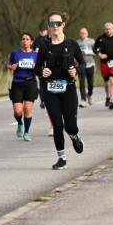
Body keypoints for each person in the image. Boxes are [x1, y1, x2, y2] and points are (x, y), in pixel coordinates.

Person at [34, 11, 85, 170]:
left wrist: (75, 70)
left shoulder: (71, 44)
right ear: (48, 27)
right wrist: (42, 72)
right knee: (57, 125)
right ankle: (61, 158)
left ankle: (74, 135)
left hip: (68, 89)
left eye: (57, 23)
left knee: (70, 126)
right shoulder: (44, 46)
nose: (54, 27)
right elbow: (36, 68)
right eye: (51, 24)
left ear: (63, 25)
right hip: (50, 90)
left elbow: (82, 64)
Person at [8, 33, 38, 141]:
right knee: (18, 111)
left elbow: (40, 69)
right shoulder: (15, 53)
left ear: (31, 42)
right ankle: (20, 123)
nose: (25, 41)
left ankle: (26, 132)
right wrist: (12, 66)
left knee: (27, 108)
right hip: (17, 83)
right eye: (23, 39)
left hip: (30, 83)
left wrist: (36, 67)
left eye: (27, 39)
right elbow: (8, 65)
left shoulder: (35, 54)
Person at [95, 22, 113, 109]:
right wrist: (99, 54)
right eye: (106, 29)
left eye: (110, 29)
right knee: (107, 83)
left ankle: (111, 100)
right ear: (104, 30)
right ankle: (108, 96)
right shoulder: (100, 38)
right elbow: (95, 48)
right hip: (104, 63)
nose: (108, 30)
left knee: (112, 81)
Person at [76, 27, 96, 107]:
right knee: (82, 83)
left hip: (90, 63)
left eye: (84, 33)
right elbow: (74, 53)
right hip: (81, 64)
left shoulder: (91, 41)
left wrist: (89, 52)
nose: (82, 34)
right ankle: (83, 100)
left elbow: (96, 52)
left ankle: (90, 94)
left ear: (87, 34)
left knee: (90, 83)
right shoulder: (77, 42)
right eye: (81, 33)